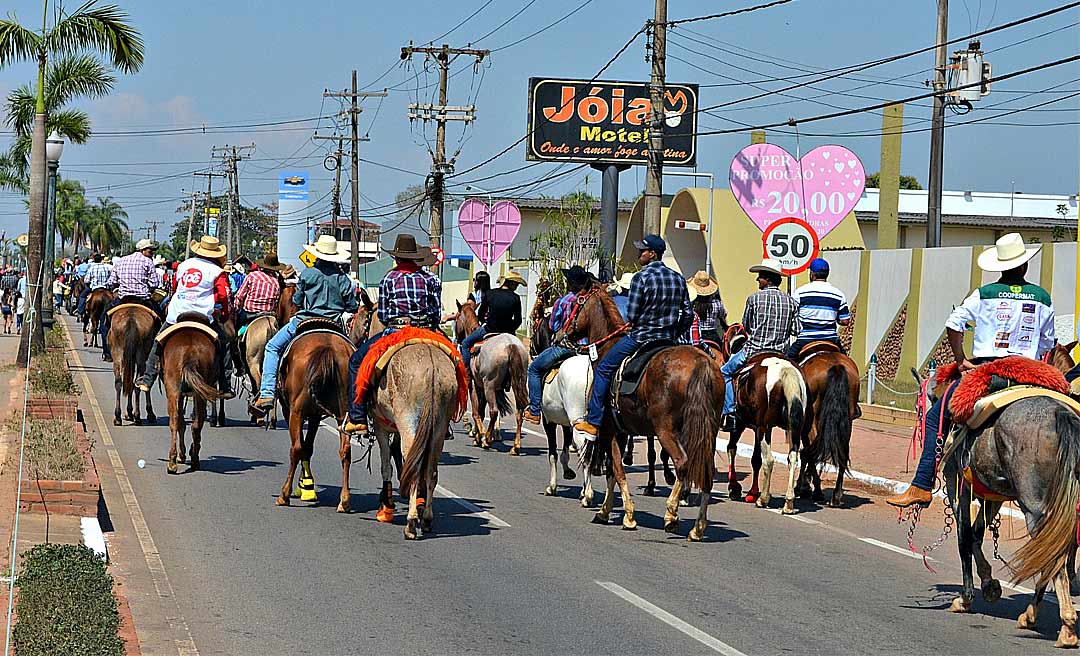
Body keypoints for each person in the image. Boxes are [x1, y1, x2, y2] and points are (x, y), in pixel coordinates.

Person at [887, 233, 1055, 508]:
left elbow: (954, 323)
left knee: (935, 416)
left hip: (990, 372)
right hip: (1030, 372)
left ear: (1000, 267)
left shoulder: (984, 294)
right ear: (1024, 266)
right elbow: (1049, 342)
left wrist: (961, 359)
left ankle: (921, 485)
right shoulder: (1042, 297)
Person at [575, 235, 693, 438]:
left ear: (653, 254)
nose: (639, 254)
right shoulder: (678, 278)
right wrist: (674, 332)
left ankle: (593, 422)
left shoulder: (641, 278)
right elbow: (688, 314)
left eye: (642, 251)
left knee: (603, 369)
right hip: (669, 340)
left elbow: (632, 314)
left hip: (642, 337)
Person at [342, 234, 442, 434]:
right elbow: (436, 313)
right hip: (426, 331)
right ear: (415, 257)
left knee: (356, 362)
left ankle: (358, 417)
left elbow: (385, 315)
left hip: (396, 331)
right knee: (457, 362)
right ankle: (445, 419)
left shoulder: (389, 278)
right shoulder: (430, 279)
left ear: (396, 258)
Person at [253, 235, 358, 411]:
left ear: (317, 254)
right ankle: (357, 404)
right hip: (334, 324)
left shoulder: (308, 274)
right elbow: (352, 306)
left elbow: (298, 300)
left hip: (306, 320)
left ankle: (267, 392)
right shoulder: (343, 278)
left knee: (272, 347)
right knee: (355, 357)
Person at [136, 236, 234, 396]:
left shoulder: (183, 266)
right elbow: (223, 296)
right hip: (204, 315)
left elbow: (174, 288)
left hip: (177, 314)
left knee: (158, 342)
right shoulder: (218, 272)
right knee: (224, 346)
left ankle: (147, 378)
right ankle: (224, 385)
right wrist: (223, 315)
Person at [720, 259, 799, 433]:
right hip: (780, 354)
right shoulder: (791, 302)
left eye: (760, 277)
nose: (758, 280)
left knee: (724, 372)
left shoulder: (754, 299)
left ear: (768, 279)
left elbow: (746, 326)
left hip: (753, 350)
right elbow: (796, 329)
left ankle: (730, 413)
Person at [523, 265, 589, 424]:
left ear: (571, 283)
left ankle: (534, 410)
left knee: (534, 369)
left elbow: (553, 326)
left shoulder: (564, 301)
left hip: (567, 348)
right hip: (588, 349)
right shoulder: (592, 299)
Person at [101, 239, 161, 362]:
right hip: (143, 299)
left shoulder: (121, 261)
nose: (152, 254)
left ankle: (107, 352)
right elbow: (155, 283)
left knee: (104, 321)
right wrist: (145, 286)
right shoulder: (148, 262)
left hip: (123, 299)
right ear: (142, 250)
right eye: (150, 251)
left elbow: (111, 282)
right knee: (160, 320)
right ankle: (157, 355)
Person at [459, 271, 525, 375]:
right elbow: (518, 320)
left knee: (465, 344)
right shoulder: (516, 298)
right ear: (511, 283)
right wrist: (510, 329)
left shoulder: (490, 294)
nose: (516, 286)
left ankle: (466, 373)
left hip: (489, 329)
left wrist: (487, 321)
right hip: (508, 332)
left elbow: (480, 314)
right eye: (516, 284)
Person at [786, 257, 851, 359]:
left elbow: (792, 315)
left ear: (812, 274)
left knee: (788, 362)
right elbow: (845, 321)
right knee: (846, 361)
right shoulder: (838, 295)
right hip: (830, 339)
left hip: (805, 339)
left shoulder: (800, 293)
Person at [233, 253, 286, 327]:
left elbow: (239, 296)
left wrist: (236, 309)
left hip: (250, 314)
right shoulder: (276, 282)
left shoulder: (252, 275)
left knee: (237, 330)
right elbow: (276, 302)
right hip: (269, 315)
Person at [686, 270, 727, 344]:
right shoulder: (717, 303)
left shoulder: (691, 304)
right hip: (713, 336)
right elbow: (724, 315)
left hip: (695, 335)